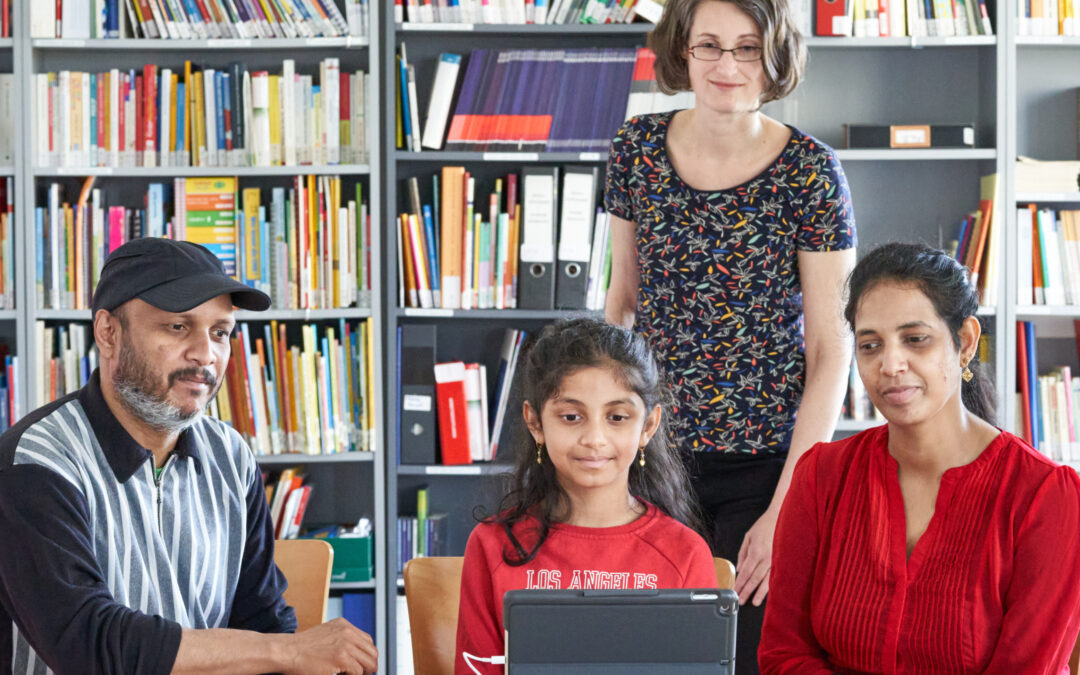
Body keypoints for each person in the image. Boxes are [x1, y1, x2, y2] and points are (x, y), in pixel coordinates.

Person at [603, 0, 856, 668]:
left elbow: (832, 348)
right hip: (654, 463)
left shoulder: (811, 170)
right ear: (681, 49)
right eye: (709, 45)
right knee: (656, 658)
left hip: (768, 469)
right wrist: (605, 442)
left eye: (747, 48)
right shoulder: (635, 149)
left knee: (749, 656)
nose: (727, 65)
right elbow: (621, 305)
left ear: (773, 58)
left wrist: (788, 506)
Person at [0, 238, 378, 675]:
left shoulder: (231, 456)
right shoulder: (36, 462)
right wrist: (287, 653)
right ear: (108, 333)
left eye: (220, 332)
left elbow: (263, 620)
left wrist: (293, 654)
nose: (206, 354)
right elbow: (87, 644)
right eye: (177, 327)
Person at [760, 243, 1080, 673]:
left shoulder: (1045, 497)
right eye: (870, 345)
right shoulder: (821, 477)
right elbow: (783, 654)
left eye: (915, 339)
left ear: (964, 343)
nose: (890, 364)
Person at [454, 318, 716, 674]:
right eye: (572, 416)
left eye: (618, 417)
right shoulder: (491, 546)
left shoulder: (685, 554)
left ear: (648, 427)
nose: (595, 438)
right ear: (535, 423)